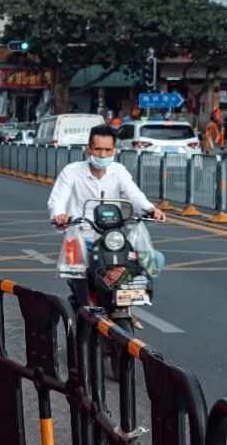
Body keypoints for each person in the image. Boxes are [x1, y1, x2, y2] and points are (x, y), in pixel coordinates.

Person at [48, 125, 166, 311]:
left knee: (155, 260)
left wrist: (150, 209)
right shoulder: (72, 171)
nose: (102, 155)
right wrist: (59, 215)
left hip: (112, 239)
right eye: (98, 149)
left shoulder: (119, 171)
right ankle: (85, 306)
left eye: (107, 150)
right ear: (88, 149)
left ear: (115, 151)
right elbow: (58, 199)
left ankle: (120, 301)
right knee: (76, 268)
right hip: (81, 238)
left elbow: (134, 194)